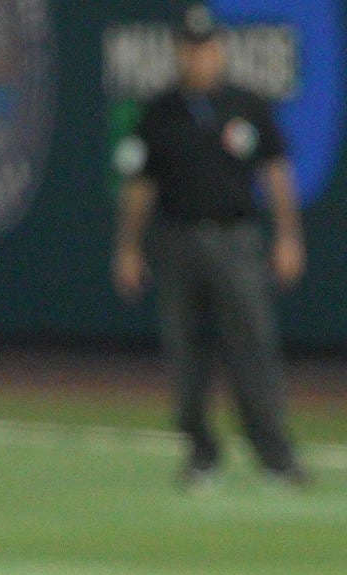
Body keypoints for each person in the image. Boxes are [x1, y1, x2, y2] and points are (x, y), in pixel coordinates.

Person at [112, 3, 309, 490]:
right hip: (177, 239)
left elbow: (277, 173)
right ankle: (202, 454)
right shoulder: (158, 111)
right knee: (186, 352)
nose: (198, 57)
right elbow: (139, 186)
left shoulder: (246, 104)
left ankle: (275, 456)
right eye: (189, 48)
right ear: (180, 51)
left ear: (219, 50)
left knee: (253, 347)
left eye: (206, 47)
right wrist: (128, 248)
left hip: (235, 238)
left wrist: (288, 236)